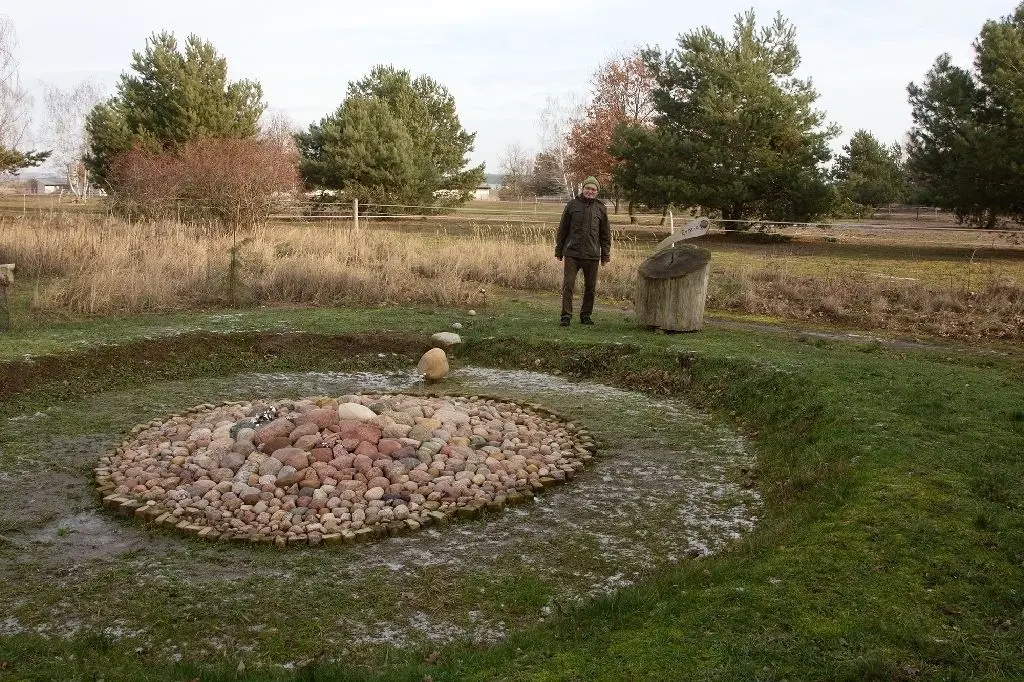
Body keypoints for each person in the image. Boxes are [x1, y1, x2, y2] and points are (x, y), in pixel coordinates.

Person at [555, 176, 611, 326]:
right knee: (568, 285)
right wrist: (559, 250)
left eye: (593, 189)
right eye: (588, 188)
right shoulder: (572, 205)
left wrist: (605, 255)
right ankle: (566, 316)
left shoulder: (601, 208)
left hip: (592, 254)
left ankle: (586, 315)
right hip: (572, 253)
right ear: (583, 189)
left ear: (597, 192)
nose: (590, 191)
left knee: (590, 288)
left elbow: (605, 234)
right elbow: (563, 229)